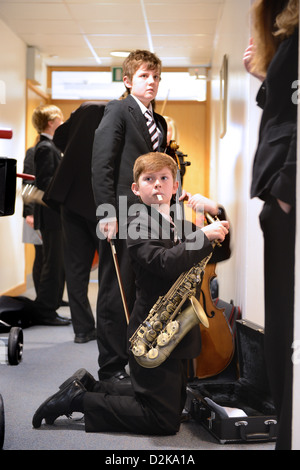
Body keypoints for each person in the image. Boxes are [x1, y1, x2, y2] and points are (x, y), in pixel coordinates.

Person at [32, 152, 230, 435]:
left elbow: (223, 249)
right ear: (136, 189)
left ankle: (92, 385)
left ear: (176, 186)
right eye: (149, 179)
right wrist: (204, 236)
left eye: (164, 178)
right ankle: (80, 399)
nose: (158, 185)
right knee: (162, 421)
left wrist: (218, 211)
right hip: (153, 330)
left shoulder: (180, 224)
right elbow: (164, 262)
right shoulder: (137, 224)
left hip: (173, 331)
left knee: (172, 405)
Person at [91, 50, 168, 383]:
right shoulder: (118, 110)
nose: (151, 82)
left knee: (140, 290)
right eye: (144, 76)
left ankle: (136, 358)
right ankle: (110, 367)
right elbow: (102, 164)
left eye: (155, 77)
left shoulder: (160, 121)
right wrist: (107, 213)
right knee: (114, 290)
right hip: (120, 214)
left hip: (150, 217)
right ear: (128, 80)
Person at [243, 0, 298, 450]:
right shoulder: (286, 36)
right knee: (281, 330)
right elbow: (286, 105)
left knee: (285, 326)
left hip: (286, 191)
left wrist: (286, 184)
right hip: (279, 192)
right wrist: (266, 78)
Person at [43, 101, 106, 343]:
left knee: (76, 269)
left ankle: (82, 330)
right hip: (102, 205)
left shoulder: (80, 113)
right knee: (108, 272)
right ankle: (108, 328)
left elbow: (59, 138)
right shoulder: (112, 117)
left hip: (70, 201)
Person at [31, 104, 70, 327]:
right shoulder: (46, 148)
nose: (62, 121)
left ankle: (51, 306)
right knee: (52, 265)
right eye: (60, 118)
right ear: (50, 121)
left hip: (55, 216)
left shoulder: (51, 146)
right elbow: (45, 184)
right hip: (52, 216)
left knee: (57, 264)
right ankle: (46, 311)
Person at [22, 140, 43, 294]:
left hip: (47, 214)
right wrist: (29, 213)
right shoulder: (33, 152)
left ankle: (50, 297)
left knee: (49, 257)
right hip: (34, 213)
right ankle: (40, 296)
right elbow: (27, 182)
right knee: (41, 255)